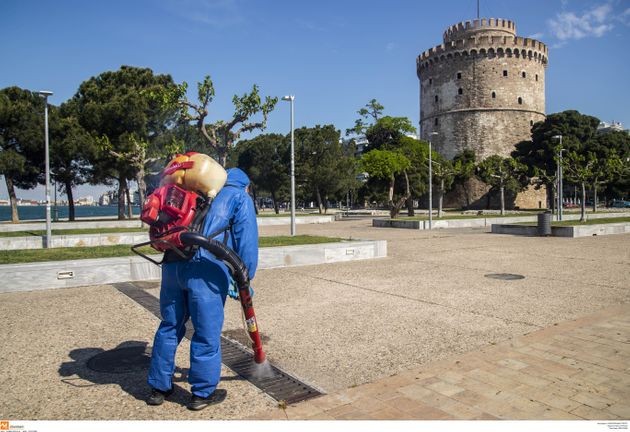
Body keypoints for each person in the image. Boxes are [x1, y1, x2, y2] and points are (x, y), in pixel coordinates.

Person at [146, 168, 259, 411]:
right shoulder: (239, 196)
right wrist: (245, 277)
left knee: (169, 326)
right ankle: (202, 393)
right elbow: (246, 242)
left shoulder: (193, 189)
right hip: (205, 269)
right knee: (206, 333)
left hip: (173, 264)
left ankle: (158, 387)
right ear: (246, 184)